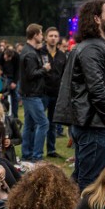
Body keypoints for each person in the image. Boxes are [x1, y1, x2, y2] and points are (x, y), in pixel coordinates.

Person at [53, 0, 105, 189]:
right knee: (90, 184)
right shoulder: (92, 48)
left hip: (89, 123)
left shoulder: (91, 46)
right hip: (93, 125)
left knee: (80, 178)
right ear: (97, 19)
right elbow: (96, 87)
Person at [18, 23, 50, 162]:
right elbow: (31, 74)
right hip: (32, 94)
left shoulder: (28, 50)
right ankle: (36, 156)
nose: (42, 37)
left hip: (28, 93)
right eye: (41, 34)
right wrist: (44, 69)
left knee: (29, 125)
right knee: (43, 123)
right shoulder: (30, 53)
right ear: (35, 35)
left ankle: (26, 154)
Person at [42, 27, 66, 158]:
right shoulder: (40, 53)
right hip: (42, 92)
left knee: (52, 123)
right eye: (51, 35)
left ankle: (51, 150)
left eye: (56, 36)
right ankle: (37, 150)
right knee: (40, 123)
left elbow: (64, 75)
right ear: (46, 38)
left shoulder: (62, 55)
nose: (53, 38)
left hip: (56, 93)